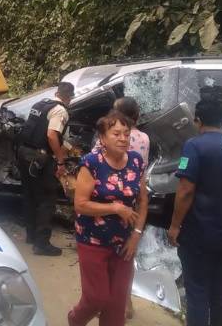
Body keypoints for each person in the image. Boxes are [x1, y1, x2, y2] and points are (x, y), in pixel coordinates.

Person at [167, 99, 222, 326]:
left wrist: (174, 226)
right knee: (220, 291)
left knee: (197, 292)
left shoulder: (194, 146)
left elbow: (185, 190)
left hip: (199, 236)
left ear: (198, 120)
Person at [69, 111, 149, 326]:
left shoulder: (135, 161)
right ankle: (75, 319)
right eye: (116, 134)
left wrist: (136, 235)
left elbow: (142, 201)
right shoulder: (91, 163)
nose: (123, 138)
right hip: (93, 240)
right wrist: (114, 208)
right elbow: (80, 204)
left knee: (117, 304)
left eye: (126, 133)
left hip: (124, 242)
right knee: (97, 298)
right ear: (102, 138)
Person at [92, 96, 150, 319]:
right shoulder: (144, 138)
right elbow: (142, 168)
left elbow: (97, 160)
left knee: (105, 254)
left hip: (107, 200)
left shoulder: (108, 135)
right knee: (127, 255)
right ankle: (126, 302)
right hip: (132, 200)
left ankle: (104, 302)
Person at [16, 82, 74, 256]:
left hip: (24, 152)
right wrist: (60, 160)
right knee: (47, 199)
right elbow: (51, 134)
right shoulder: (60, 110)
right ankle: (42, 244)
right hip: (39, 158)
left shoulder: (40, 104)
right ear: (69, 97)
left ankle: (31, 236)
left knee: (30, 195)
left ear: (56, 92)